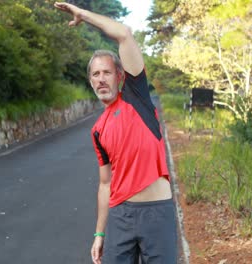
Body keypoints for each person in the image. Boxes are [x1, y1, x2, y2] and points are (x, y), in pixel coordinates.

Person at [54, 2, 178, 264]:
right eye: (95, 74)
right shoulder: (98, 130)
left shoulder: (137, 99)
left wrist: (84, 15)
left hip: (156, 214)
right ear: (90, 81)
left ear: (120, 76)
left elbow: (123, 33)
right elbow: (105, 184)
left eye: (107, 72)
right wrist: (99, 233)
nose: (101, 79)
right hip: (120, 217)